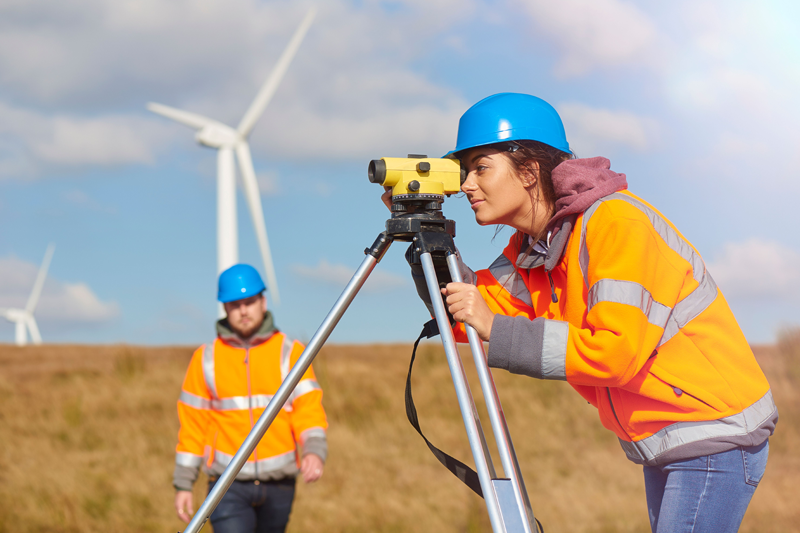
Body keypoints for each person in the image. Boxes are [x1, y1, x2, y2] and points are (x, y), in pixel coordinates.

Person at [386, 92, 778, 533]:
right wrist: (425, 236)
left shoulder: (614, 224)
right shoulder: (536, 250)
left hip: (713, 431)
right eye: (464, 171)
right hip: (669, 438)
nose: (466, 185)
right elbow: (465, 313)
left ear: (530, 171)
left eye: (481, 167)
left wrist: (495, 326)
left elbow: (613, 353)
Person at [173, 264, 328, 533]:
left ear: (263, 301)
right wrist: (184, 483)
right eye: (235, 304)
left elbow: (308, 410)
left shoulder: (291, 353)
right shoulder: (205, 359)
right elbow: (192, 426)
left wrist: (314, 450)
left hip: (280, 484)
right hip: (225, 485)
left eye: (249, 301)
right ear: (225, 308)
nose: (243, 310)